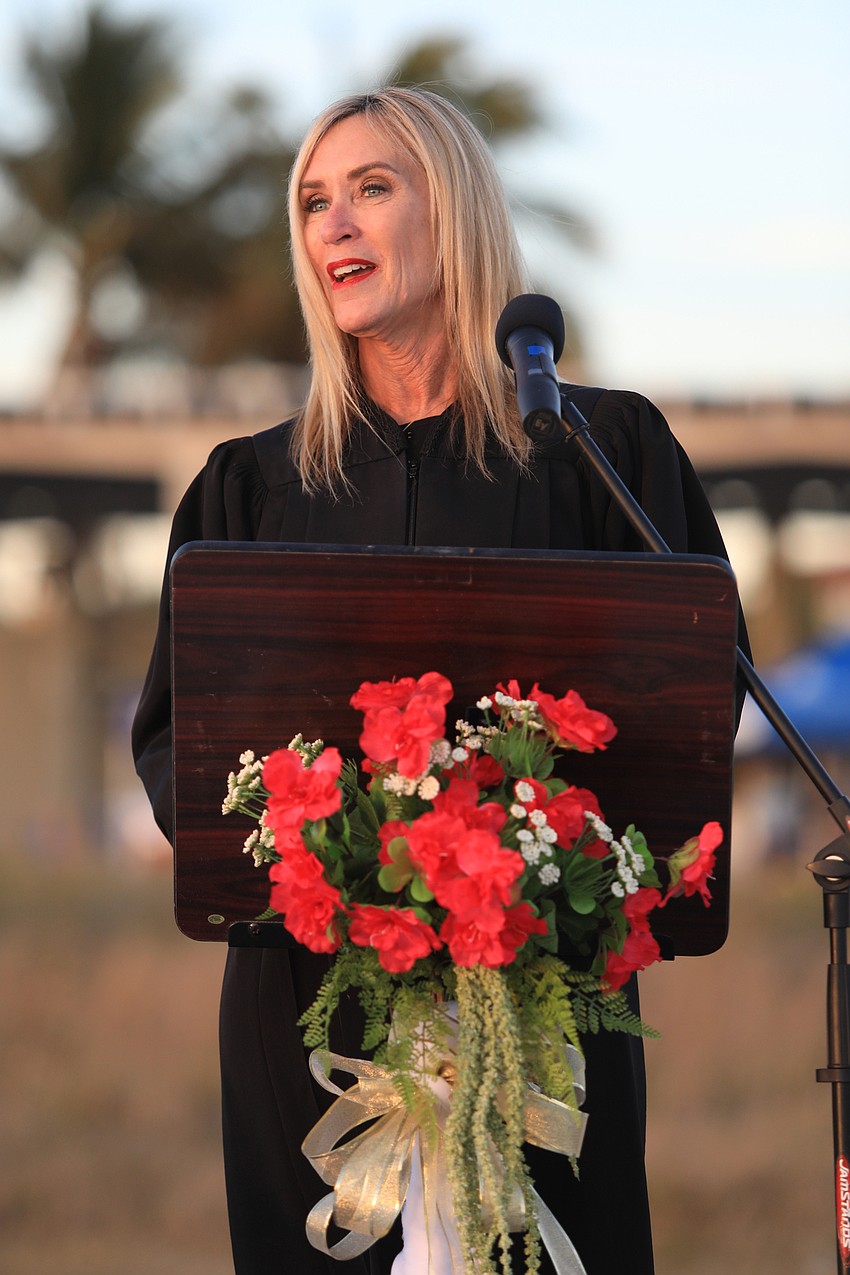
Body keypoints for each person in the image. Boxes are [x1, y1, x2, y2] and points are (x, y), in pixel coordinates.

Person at [133, 86, 746, 1275]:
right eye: (313, 201)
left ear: (455, 209)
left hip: (542, 1005)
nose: (334, 226)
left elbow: (697, 698)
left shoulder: (601, 455)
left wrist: (533, 861)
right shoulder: (247, 492)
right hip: (314, 1017)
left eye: (372, 188)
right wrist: (333, 863)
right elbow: (179, 747)